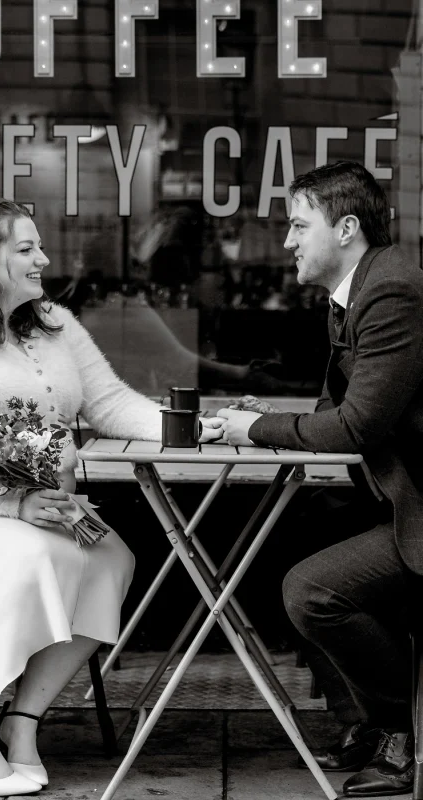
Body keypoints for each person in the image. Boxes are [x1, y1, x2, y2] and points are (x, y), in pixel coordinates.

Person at [0, 197, 217, 797]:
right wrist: (10, 505)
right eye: (26, 248)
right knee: (32, 556)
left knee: (111, 559)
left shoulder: (54, 322)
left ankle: (23, 719)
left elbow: (108, 402)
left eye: (40, 246)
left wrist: (185, 425)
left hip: (31, 497)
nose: (45, 258)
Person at [209, 161, 423, 797]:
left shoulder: (391, 292)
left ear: (347, 227)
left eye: (299, 225)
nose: (287, 241)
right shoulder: (359, 290)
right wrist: (267, 417)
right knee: (288, 547)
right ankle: (365, 720)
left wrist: (257, 431)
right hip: (391, 495)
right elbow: (351, 409)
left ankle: (403, 729)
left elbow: (356, 426)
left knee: (313, 590)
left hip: (417, 507)